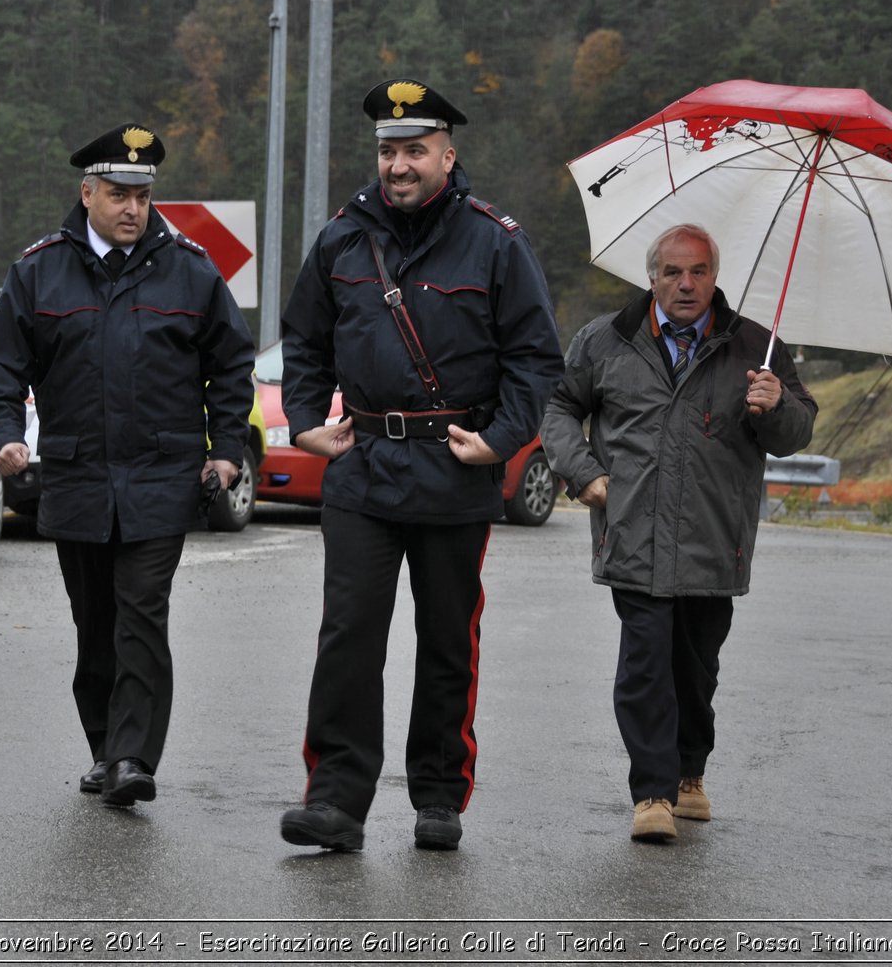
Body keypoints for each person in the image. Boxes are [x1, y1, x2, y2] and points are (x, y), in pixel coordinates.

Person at [278, 78, 564, 851]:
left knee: (446, 640)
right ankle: (336, 799)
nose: (397, 165)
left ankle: (439, 794)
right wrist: (306, 420)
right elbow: (302, 338)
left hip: (453, 466)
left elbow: (536, 358)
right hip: (364, 466)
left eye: (413, 150)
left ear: (448, 153)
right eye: (387, 151)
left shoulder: (496, 241)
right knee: (349, 636)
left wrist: (502, 439)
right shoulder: (342, 238)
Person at [0, 123, 255, 807]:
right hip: (75, 478)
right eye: (119, 194)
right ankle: (105, 746)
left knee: (141, 613)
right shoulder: (39, 269)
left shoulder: (189, 269)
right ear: (87, 193)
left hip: (163, 476)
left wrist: (226, 452)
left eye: (143, 194)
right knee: (94, 623)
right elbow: (2, 365)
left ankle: (134, 756)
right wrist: (6, 434)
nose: (133, 208)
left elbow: (231, 365)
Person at [538, 223, 816, 843]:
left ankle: (691, 773)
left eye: (698, 272)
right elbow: (558, 408)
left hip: (714, 540)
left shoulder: (757, 348)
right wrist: (584, 474)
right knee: (645, 666)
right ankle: (653, 793)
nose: (685, 284)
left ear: (716, 277)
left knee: (696, 668)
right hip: (632, 532)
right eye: (672, 272)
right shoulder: (606, 340)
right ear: (652, 277)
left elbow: (796, 436)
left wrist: (779, 406)